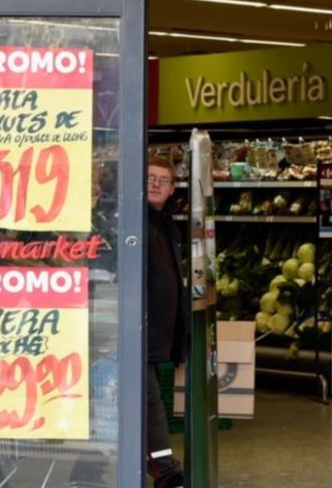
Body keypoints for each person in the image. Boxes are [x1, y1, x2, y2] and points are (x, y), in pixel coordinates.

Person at [145, 157, 187, 488]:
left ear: (172, 189)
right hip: (137, 332)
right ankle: (165, 470)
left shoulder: (164, 223)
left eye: (163, 180)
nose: (157, 184)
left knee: (147, 397)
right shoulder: (135, 222)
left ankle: (160, 466)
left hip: (157, 333)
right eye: (151, 178)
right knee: (148, 398)